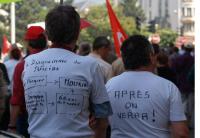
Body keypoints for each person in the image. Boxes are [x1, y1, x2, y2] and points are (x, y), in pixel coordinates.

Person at [21, 5, 112, 138]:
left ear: (48, 34)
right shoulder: (90, 65)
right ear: (77, 33)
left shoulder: (29, 63)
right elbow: (102, 118)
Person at [106, 35, 189, 138]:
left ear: (123, 59)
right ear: (151, 57)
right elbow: (180, 133)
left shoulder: (109, 86)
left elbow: (101, 123)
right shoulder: (168, 87)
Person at [8, 26, 47, 137]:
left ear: (28, 43)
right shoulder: (58, 62)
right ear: (45, 42)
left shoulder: (22, 65)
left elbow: (16, 99)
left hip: (28, 117)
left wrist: (12, 126)